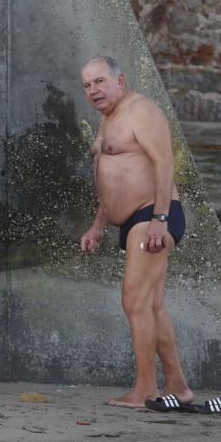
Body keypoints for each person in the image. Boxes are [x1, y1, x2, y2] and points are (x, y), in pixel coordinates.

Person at [78, 56, 193, 408]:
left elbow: (164, 163)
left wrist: (159, 219)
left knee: (134, 302)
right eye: (87, 85)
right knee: (153, 306)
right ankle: (177, 386)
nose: (93, 90)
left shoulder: (142, 110)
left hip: (152, 216)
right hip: (134, 219)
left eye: (100, 81)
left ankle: (145, 389)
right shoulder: (108, 118)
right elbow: (113, 174)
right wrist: (98, 225)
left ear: (120, 80)